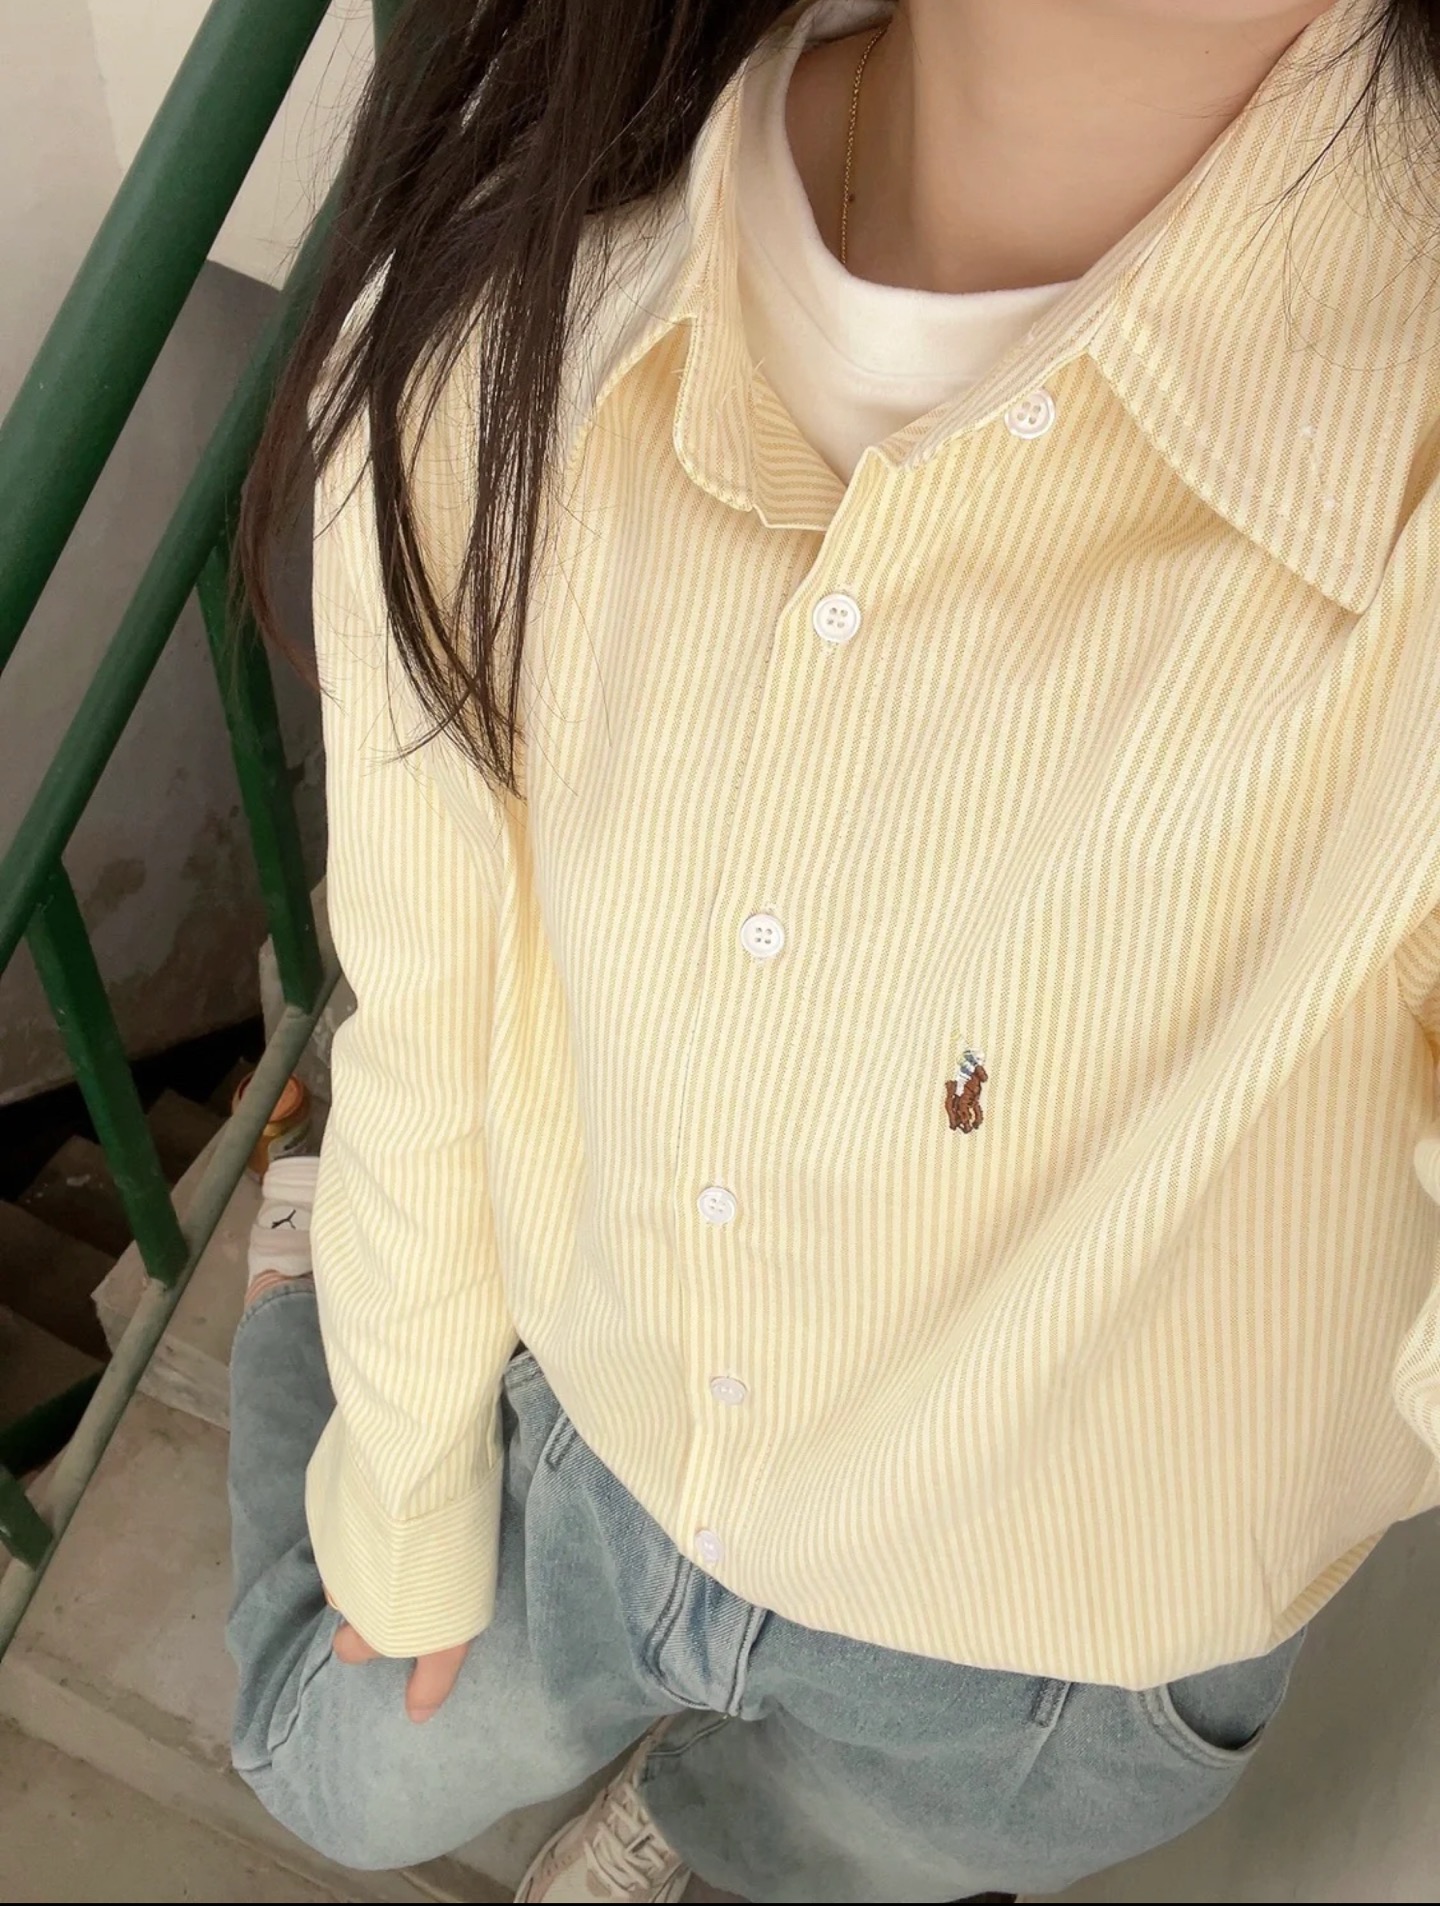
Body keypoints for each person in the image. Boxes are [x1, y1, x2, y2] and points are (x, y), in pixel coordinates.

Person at [229, 1, 1440, 1898]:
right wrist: (401, 1471)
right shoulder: (511, 313)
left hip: (1055, 1672)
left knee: (797, 1850)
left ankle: (696, 1812)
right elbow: (438, 1007)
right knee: (326, 1770)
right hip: (600, 1447)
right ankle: (307, 1260)